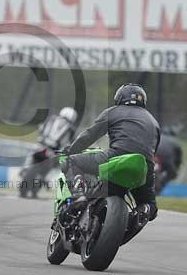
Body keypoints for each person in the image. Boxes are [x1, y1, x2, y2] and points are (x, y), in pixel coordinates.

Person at [62, 84, 160, 222]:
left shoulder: (113, 111)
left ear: (120, 98)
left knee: (70, 162)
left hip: (117, 155)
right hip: (145, 165)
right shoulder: (154, 121)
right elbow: (153, 149)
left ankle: (78, 196)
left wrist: (71, 150)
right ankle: (144, 211)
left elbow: (89, 135)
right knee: (150, 205)